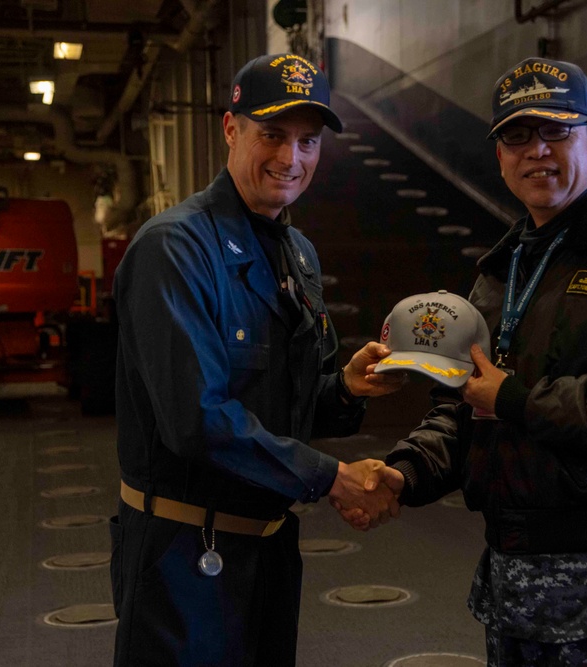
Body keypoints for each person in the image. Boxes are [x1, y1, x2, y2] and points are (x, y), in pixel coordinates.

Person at [341, 56, 587, 665]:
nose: (536, 150)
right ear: (500, 157)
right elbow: (463, 406)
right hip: (513, 588)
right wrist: (404, 473)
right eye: (517, 136)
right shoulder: (501, 273)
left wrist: (515, 398)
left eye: (556, 131)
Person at [108, 53, 405, 667]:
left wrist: (344, 388)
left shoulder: (296, 251)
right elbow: (198, 420)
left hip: (269, 549)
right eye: (272, 135)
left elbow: (279, 406)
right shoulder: (175, 248)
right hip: (184, 554)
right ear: (230, 129)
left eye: (307, 142)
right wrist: (332, 477)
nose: (289, 159)